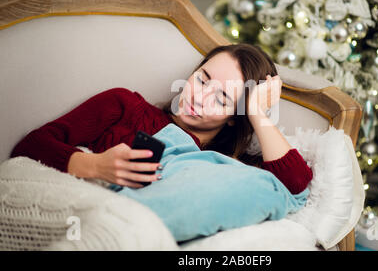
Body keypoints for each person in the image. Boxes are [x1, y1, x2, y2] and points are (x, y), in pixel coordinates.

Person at [10, 43, 312, 194]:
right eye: (202, 79)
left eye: (222, 98)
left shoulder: (229, 164)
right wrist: (95, 166)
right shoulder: (125, 106)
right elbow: (30, 146)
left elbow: (297, 184)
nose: (198, 97)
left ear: (236, 116)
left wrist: (257, 111)